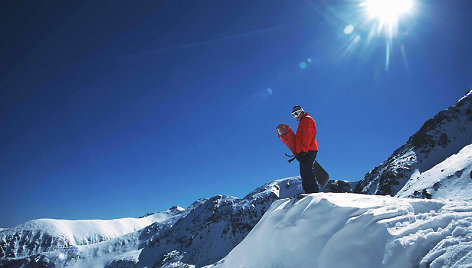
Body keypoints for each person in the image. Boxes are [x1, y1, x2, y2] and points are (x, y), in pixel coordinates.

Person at [292, 105, 319, 193]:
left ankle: (313, 194)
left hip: (308, 150)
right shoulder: (303, 122)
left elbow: (308, 136)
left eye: (297, 113)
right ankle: (308, 193)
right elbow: (300, 140)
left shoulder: (307, 120)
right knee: (304, 173)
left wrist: (304, 150)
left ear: (302, 111)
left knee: (307, 172)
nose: (296, 116)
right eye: (293, 115)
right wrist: (298, 152)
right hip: (305, 151)